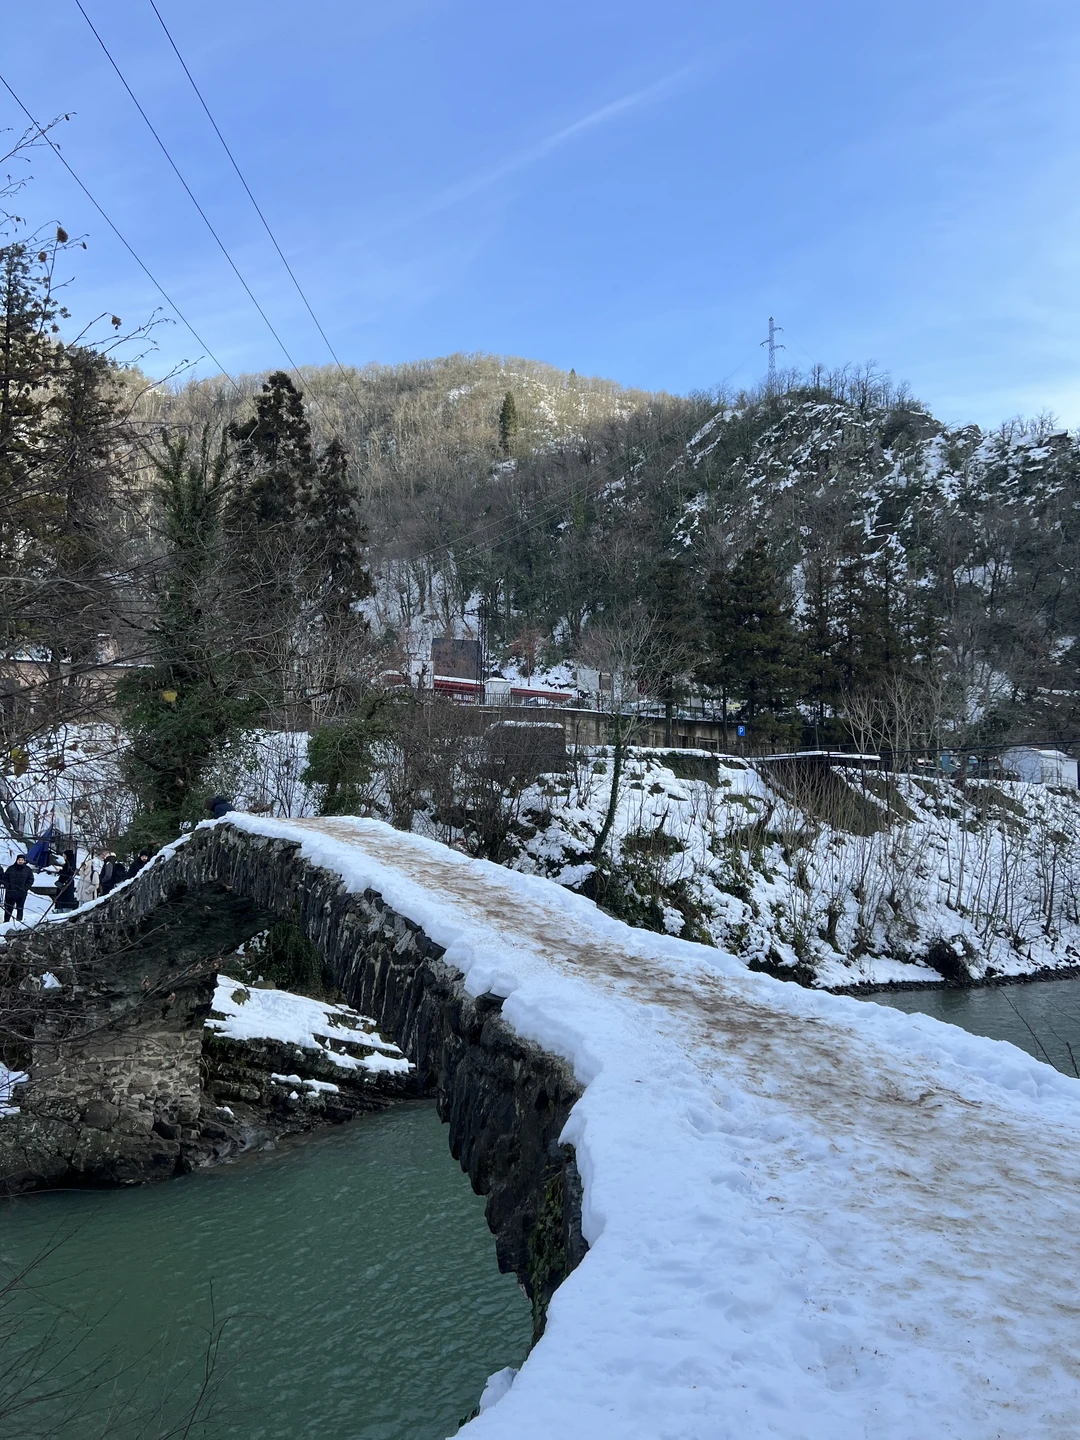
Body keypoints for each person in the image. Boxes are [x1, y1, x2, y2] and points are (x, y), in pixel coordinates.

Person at [2, 855, 34, 924]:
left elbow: (30, 879)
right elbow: (5, 878)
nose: (20, 861)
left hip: (21, 893)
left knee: (20, 908)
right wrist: (8, 886)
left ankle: (19, 923)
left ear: (24, 861)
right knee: (8, 908)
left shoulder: (27, 869)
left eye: (22, 860)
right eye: (19, 860)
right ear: (16, 860)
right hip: (10, 893)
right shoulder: (11, 868)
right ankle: (6, 922)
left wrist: (26, 888)